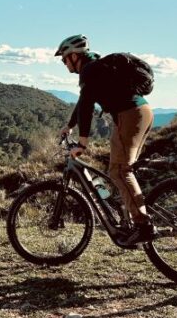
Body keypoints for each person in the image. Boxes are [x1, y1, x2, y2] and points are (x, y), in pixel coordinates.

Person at [55, 34, 155, 244]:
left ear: (74, 56)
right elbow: (84, 102)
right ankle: (131, 222)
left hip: (130, 114)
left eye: (64, 59)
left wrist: (82, 143)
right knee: (120, 169)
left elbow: (88, 108)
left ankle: (143, 225)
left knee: (119, 170)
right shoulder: (95, 68)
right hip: (137, 113)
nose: (64, 63)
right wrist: (70, 125)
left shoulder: (90, 70)